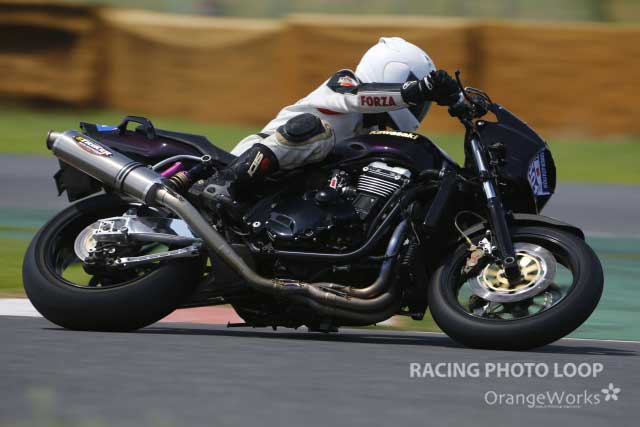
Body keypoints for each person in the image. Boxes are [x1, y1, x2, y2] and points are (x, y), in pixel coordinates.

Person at [203, 36, 461, 211]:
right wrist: (415, 90)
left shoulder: (371, 130)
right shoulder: (345, 84)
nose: (418, 107)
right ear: (394, 74)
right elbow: (360, 98)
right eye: (418, 99)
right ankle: (226, 182)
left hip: (289, 193)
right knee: (316, 130)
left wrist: (457, 100)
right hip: (252, 162)